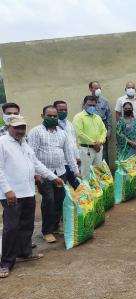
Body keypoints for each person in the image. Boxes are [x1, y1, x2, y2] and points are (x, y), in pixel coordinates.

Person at [0, 115, 64, 278]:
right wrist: (7, 190)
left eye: (23, 127)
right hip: (11, 194)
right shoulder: (2, 143)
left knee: (27, 225)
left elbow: (36, 164)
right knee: (12, 227)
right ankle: (6, 262)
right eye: (17, 128)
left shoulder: (25, 144)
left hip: (28, 191)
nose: (20, 131)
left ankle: (25, 253)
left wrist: (53, 177)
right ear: (9, 127)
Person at [28, 106, 80, 243]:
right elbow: (31, 155)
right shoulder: (35, 132)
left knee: (60, 200)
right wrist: (36, 174)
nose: (52, 118)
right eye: (49, 116)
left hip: (60, 172)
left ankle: (56, 226)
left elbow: (69, 154)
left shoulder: (62, 133)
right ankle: (47, 231)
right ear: (42, 116)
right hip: (44, 174)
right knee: (49, 201)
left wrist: (76, 171)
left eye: (54, 116)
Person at [73, 96, 107, 179]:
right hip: (86, 150)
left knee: (98, 173)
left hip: (98, 149)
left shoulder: (97, 117)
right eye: (89, 105)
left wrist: (100, 141)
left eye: (94, 105)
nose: (92, 107)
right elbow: (80, 133)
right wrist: (94, 143)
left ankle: (97, 192)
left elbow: (104, 131)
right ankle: (87, 191)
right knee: (85, 174)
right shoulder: (79, 117)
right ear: (84, 105)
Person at [81, 81, 112, 164]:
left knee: (103, 150)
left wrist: (109, 130)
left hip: (102, 125)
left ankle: (105, 172)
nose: (98, 90)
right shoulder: (86, 100)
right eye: (96, 88)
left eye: (99, 88)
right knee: (91, 149)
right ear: (90, 89)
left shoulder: (104, 101)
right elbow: (83, 115)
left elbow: (109, 115)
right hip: (89, 126)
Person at [54, 100, 81, 189]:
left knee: (78, 186)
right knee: (63, 188)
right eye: (60, 110)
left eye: (65, 110)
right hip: (61, 163)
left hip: (71, 161)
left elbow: (73, 141)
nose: (63, 112)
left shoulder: (69, 124)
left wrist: (77, 156)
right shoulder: (53, 126)